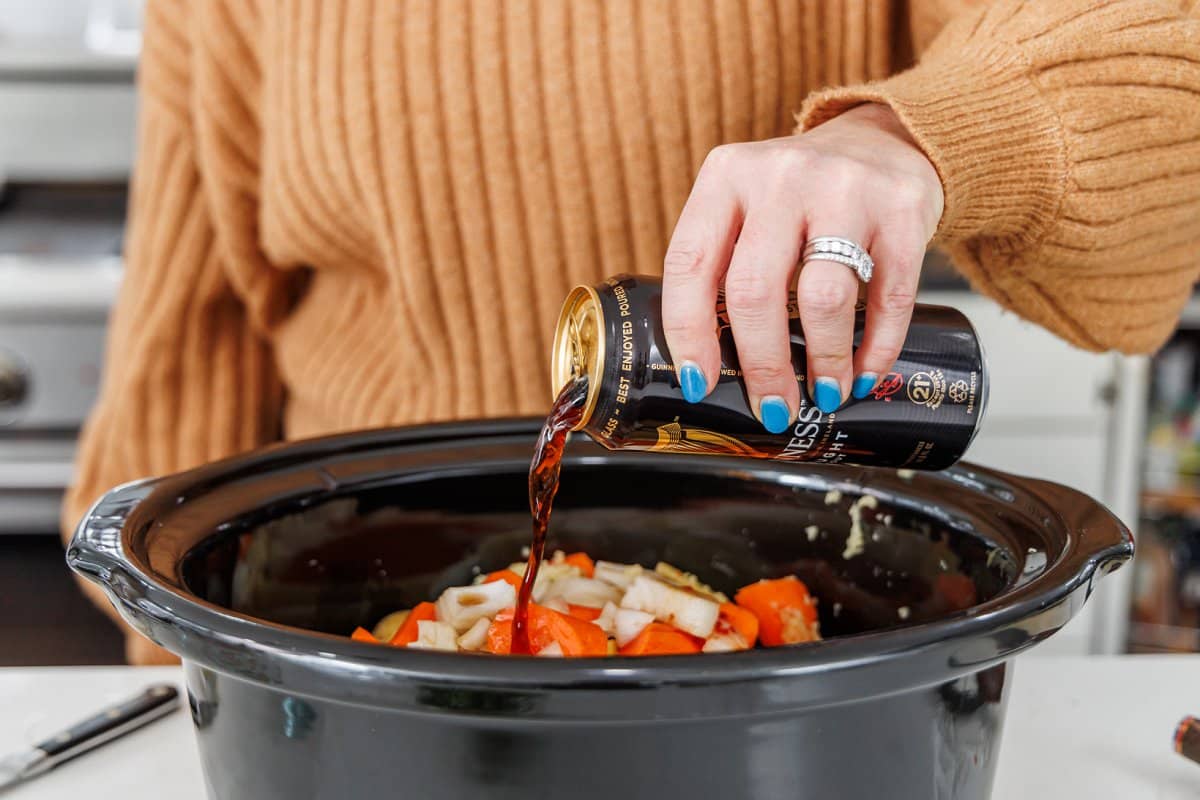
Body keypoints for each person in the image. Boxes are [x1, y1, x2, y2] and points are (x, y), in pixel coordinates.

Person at [64, 0, 1200, 664]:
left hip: (823, 627)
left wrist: (910, 135)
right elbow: (190, 341)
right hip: (356, 618)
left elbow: (1164, 57)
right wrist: (187, 670)